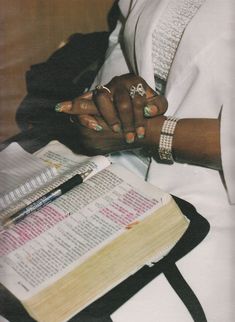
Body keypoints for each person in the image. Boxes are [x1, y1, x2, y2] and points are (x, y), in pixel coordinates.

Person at [23, 0, 235, 321]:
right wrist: (112, 99)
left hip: (218, 201)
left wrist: (149, 134)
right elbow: (123, 47)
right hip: (125, 171)